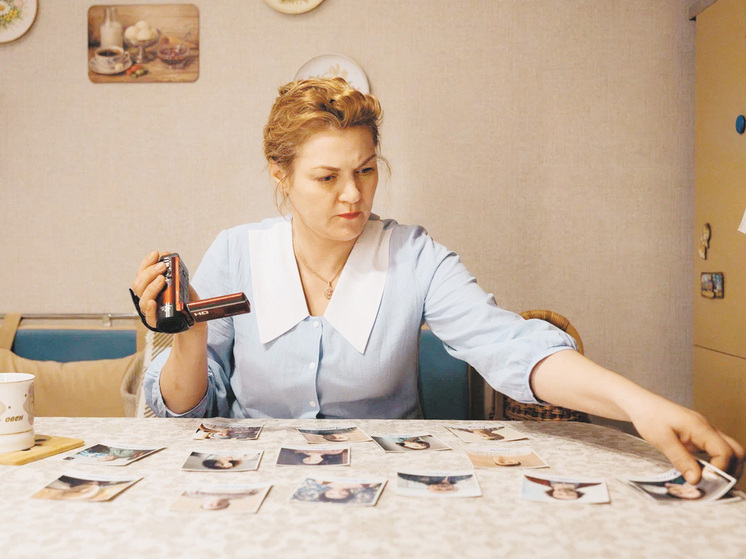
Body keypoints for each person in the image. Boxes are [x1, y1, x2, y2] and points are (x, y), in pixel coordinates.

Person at [132, 77, 743, 485]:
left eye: (366, 170)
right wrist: (187, 337)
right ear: (280, 174)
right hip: (253, 485)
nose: (354, 196)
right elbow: (186, 409)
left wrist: (641, 406)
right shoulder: (236, 251)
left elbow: (510, 346)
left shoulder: (414, 255)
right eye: (327, 177)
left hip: (385, 487)